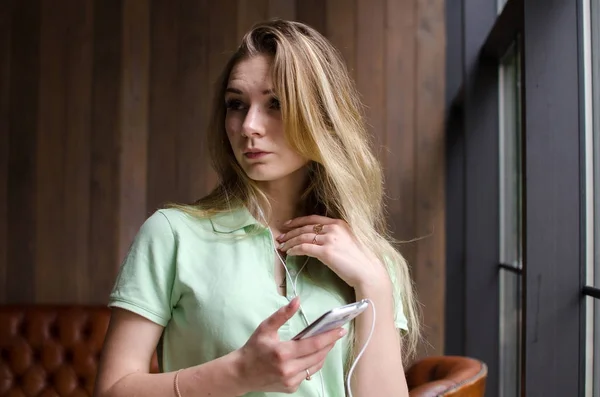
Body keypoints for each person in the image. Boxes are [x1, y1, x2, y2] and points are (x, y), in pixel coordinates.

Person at [94, 19, 420, 397]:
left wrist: (374, 284)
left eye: (275, 104)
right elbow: (112, 391)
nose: (249, 125)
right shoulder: (171, 234)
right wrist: (238, 374)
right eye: (237, 104)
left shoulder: (371, 259)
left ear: (322, 116)